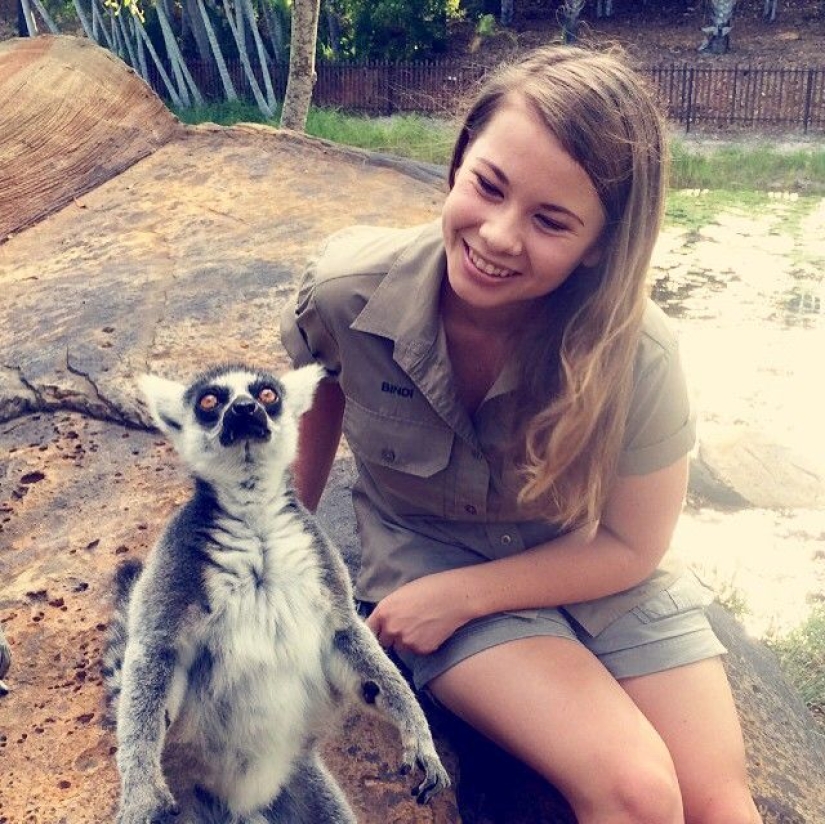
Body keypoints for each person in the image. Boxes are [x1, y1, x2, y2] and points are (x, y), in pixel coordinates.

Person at [280, 45, 762, 824]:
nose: (499, 236)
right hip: (428, 553)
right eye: (488, 186)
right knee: (636, 792)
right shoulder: (346, 292)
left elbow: (634, 546)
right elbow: (306, 416)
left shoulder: (638, 355)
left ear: (599, 244)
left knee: (719, 807)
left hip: (591, 571)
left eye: (550, 220)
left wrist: (460, 597)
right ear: (459, 158)